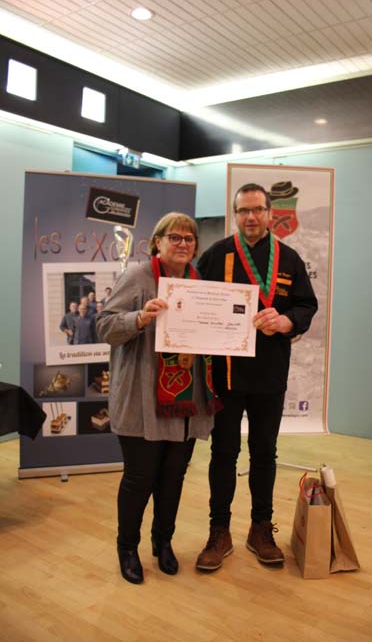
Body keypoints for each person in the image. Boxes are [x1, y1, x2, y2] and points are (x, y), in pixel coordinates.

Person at [195, 183, 318, 571]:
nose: (250, 217)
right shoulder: (216, 255)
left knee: (265, 452)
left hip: (270, 373)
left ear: (269, 214)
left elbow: (307, 305)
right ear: (235, 214)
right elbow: (195, 302)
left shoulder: (289, 258)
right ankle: (219, 531)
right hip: (226, 375)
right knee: (223, 453)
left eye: (257, 210)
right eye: (243, 210)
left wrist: (286, 321)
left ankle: (261, 529)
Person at [96, 212, 217, 584]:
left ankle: (162, 542)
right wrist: (139, 318)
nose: (183, 244)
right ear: (157, 242)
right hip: (142, 400)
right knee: (139, 479)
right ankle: (127, 548)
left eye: (189, 238)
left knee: (173, 478)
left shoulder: (199, 282)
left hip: (187, 401)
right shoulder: (137, 276)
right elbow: (104, 326)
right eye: (174, 237)